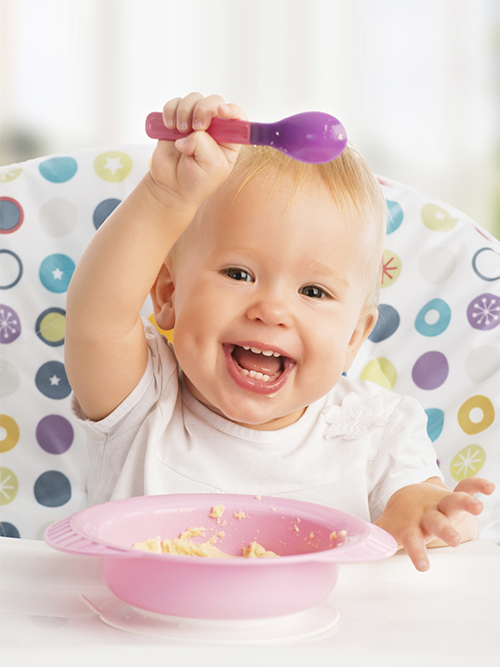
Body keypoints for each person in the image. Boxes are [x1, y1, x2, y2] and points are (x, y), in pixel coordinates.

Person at [65, 93, 494, 571]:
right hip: (133, 635)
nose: (271, 310)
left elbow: (420, 504)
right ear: (166, 293)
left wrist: (427, 516)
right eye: (239, 274)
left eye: (313, 291)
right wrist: (166, 196)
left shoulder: (378, 430)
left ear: (354, 337)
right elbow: (97, 319)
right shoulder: (142, 401)